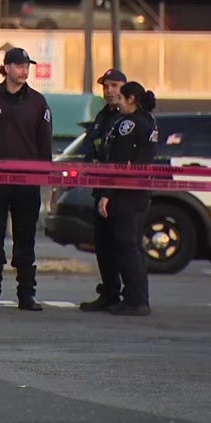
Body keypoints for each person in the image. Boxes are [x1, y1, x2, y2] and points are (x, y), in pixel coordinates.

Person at [0, 48, 53, 312]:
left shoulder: (37, 102)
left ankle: (26, 294)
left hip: (26, 181)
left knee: (25, 238)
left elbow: (44, 143)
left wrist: (43, 175)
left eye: (27, 66)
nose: (24, 70)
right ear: (6, 67)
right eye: (19, 65)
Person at [86, 81, 159, 316]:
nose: (118, 102)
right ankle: (135, 297)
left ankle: (135, 300)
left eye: (121, 98)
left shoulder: (128, 124)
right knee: (133, 245)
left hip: (125, 193)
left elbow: (118, 163)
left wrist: (106, 195)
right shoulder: (149, 121)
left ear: (131, 99)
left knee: (126, 246)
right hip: (140, 192)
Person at [80, 68, 128, 312]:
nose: (109, 91)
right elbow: (92, 144)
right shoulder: (104, 115)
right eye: (106, 86)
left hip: (122, 192)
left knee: (124, 245)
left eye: (114, 86)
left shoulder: (128, 117)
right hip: (101, 188)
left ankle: (131, 295)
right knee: (104, 244)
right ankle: (109, 292)